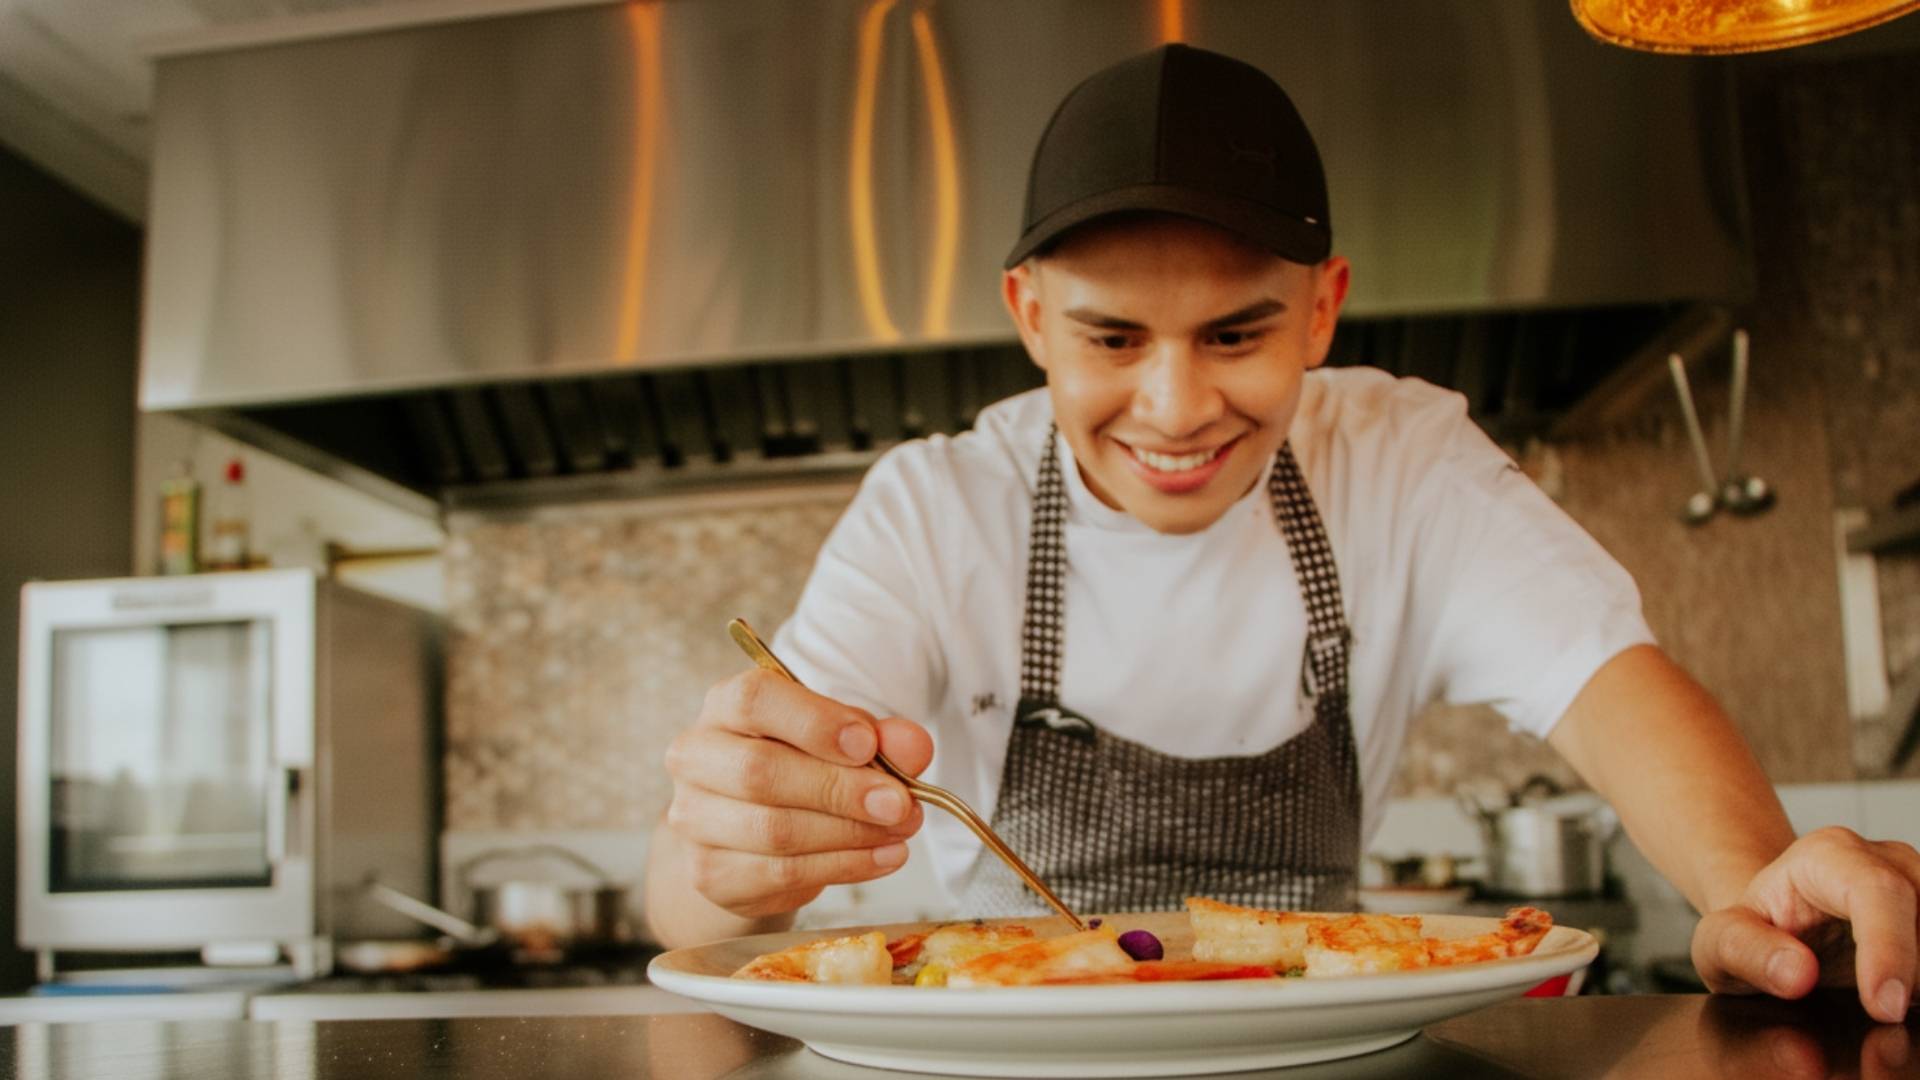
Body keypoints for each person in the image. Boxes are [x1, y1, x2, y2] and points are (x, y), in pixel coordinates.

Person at [645, 43, 1917, 1022]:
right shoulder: (934, 508)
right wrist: (731, 853)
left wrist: (1755, 889)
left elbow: (1610, 685)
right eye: (1111, 337)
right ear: (1031, 317)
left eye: (1237, 333)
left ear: (1323, 309)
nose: (1178, 407)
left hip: (1328, 1050)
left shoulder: (1403, 461)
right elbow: (685, 900)